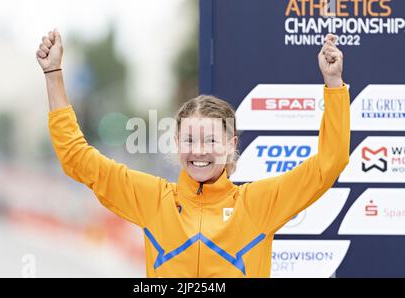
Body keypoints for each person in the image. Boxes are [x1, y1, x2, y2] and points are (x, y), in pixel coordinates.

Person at [36, 29, 350, 277]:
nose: (199, 151)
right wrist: (54, 75)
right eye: (189, 140)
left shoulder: (259, 204)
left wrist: (334, 86)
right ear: (176, 143)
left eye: (211, 140)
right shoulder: (153, 200)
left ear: (230, 145)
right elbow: (77, 158)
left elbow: (330, 162)